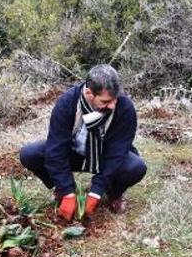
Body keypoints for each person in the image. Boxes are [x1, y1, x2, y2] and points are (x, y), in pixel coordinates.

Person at [19, 65, 146, 221]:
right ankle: (63, 188)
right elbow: (56, 150)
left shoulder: (125, 108)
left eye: (115, 100)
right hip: (72, 152)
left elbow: (117, 153)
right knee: (30, 154)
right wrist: (67, 191)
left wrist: (96, 190)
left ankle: (113, 192)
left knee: (136, 167)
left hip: (104, 155)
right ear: (88, 93)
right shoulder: (67, 103)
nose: (112, 105)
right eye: (106, 101)